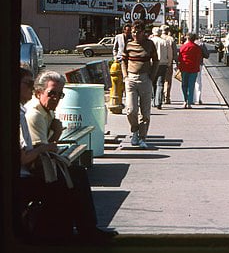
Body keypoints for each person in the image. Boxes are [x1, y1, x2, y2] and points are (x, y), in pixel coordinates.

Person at [18, 67, 117, 244]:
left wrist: (55, 132)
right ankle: (85, 230)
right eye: (51, 93)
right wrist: (53, 142)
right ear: (39, 92)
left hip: (38, 163)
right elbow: (40, 152)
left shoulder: (45, 110)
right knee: (72, 180)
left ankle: (86, 229)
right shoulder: (33, 114)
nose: (55, 98)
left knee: (76, 174)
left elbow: (49, 146)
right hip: (31, 170)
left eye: (59, 95)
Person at [121, 20, 158, 148]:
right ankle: (134, 131)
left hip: (145, 79)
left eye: (137, 31)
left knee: (145, 112)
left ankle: (143, 137)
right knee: (131, 110)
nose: (135, 34)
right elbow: (123, 61)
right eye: (133, 32)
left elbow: (156, 61)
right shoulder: (129, 44)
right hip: (131, 79)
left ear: (143, 32)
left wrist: (152, 77)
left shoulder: (149, 44)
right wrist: (125, 76)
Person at [178, 33, 203, 108]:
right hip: (194, 69)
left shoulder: (183, 47)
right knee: (191, 85)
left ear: (187, 38)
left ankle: (185, 100)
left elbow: (180, 57)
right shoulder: (197, 48)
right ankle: (189, 102)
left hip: (184, 68)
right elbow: (199, 58)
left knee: (184, 85)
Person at [149, 26, 169, 109]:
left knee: (152, 83)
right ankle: (159, 102)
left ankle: (153, 100)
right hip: (163, 64)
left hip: (152, 64)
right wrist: (169, 63)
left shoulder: (150, 42)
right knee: (160, 83)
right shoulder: (164, 42)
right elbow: (168, 54)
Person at [161, 25, 178, 104]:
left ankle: (159, 97)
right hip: (168, 63)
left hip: (157, 63)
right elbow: (174, 53)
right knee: (168, 81)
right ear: (168, 31)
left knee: (159, 80)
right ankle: (167, 97)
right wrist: (177, 63)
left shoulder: (155, 38)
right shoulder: (171, 39)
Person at [193, 35, 210, 105]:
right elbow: (206, 55)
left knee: (190, 81)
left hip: (188, 64)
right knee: (198, 81)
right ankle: (198, 99)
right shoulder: (201, 44)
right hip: (198, 64)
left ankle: (190, 98)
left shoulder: (186, 43)